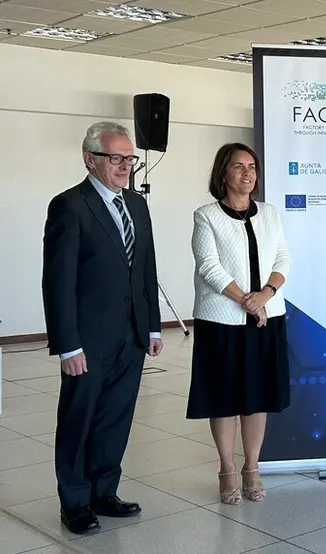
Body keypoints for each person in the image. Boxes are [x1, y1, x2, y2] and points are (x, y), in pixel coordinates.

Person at [42, 121, 163, 535]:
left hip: (131, 337)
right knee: (79, 419)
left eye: (129, 158)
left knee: (115, 418)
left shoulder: (138, 205)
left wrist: (153, 328)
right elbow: (57, 281)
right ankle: (74, 502)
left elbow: (146, 268)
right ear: (90, 159)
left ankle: (103, 492)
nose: (125, 165)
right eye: (116, 158)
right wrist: (67, 345)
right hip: (87, 340)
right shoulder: (70, 205)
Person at [187, 143, 292, 504]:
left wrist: (264, 295)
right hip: (222, 320)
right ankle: (227, 468)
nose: (247, 174)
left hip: (266, 317)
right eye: (238, 167)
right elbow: (209, 265)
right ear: (223, 174)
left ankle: (252, 467)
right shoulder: (206, 216)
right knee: (224, 397)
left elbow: (283, 257)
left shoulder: (270, 213)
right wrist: (245, 300)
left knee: (256, 396)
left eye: (252, 167)